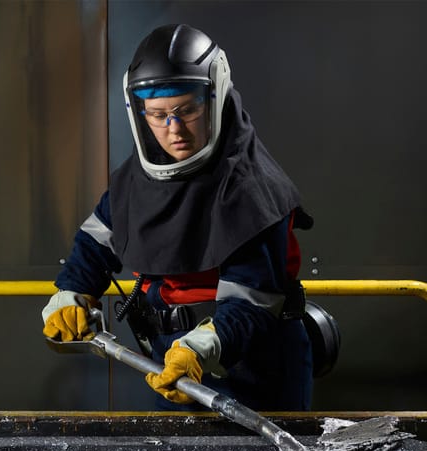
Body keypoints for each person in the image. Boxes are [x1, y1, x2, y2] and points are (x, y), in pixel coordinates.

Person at [41, 24, 314, 411]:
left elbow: (252, 304)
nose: (174, 130)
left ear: (214, 100)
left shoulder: (253, 190)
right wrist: (71, 292)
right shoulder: (138, 180)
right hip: (172, 357)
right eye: (158, 115)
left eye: (187, 110)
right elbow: (97, 240)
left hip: (251, 362)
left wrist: (202, 346)